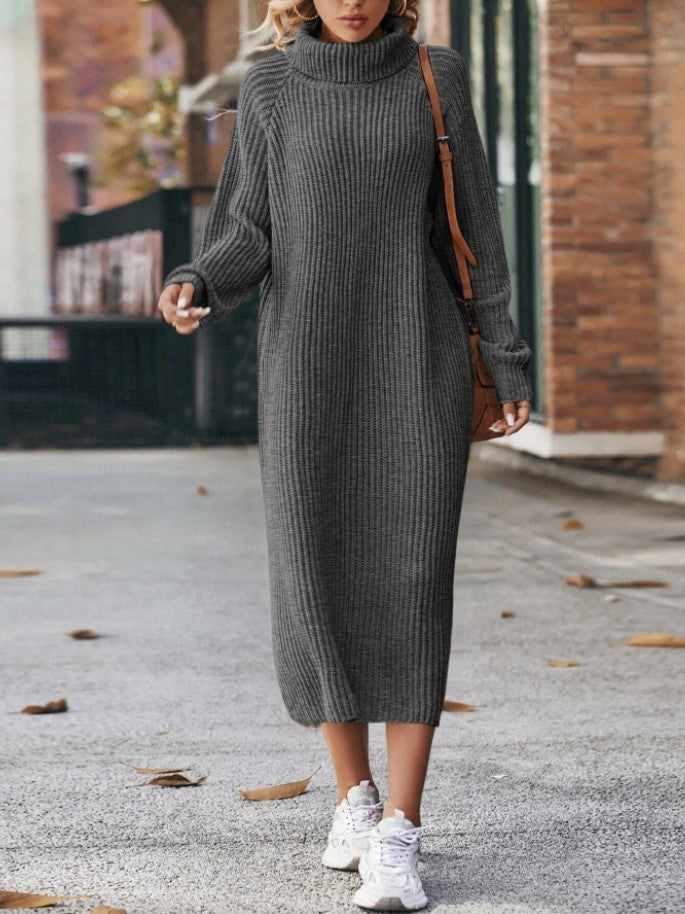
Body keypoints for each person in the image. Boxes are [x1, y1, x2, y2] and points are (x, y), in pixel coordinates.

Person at [157, 0, 532, 909]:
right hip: (306, 369)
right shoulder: (275, 86)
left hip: (417, 361)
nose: (353, 1)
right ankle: (353, 800)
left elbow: (476, 233)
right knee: (313, 575)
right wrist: (197, 275)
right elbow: (249, 225)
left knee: (408, 580)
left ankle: (401, 830)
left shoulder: (433, 79)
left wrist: (505, 355)